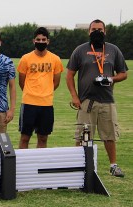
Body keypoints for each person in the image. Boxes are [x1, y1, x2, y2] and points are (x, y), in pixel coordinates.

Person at [66, 19, 128, 177]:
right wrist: (74, 96)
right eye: (94, 29)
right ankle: (79, 166)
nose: (97, 32)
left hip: (107, 101)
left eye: (100, 29)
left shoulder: (113, 50)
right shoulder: (80, 50)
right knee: (84, 136)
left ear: (105, 32)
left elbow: (123, 73)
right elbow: (69, 75)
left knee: (109, 135)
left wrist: (112, 79)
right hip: (87, 102)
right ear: (88, 31)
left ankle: (113, 166)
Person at [18, 27, 64, 149]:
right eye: (38, 39)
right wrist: (31, 93)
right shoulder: (25, 58)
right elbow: (21, 82)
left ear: (48, 41)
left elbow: (56, 82)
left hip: (47, 104)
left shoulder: (55, 59)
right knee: (25, 137)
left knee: (43, 138)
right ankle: (23, 164)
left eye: (44, 39)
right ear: (34, 41)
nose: (41, 41)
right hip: (28, 103)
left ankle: (39, 165)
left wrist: (46, 92)